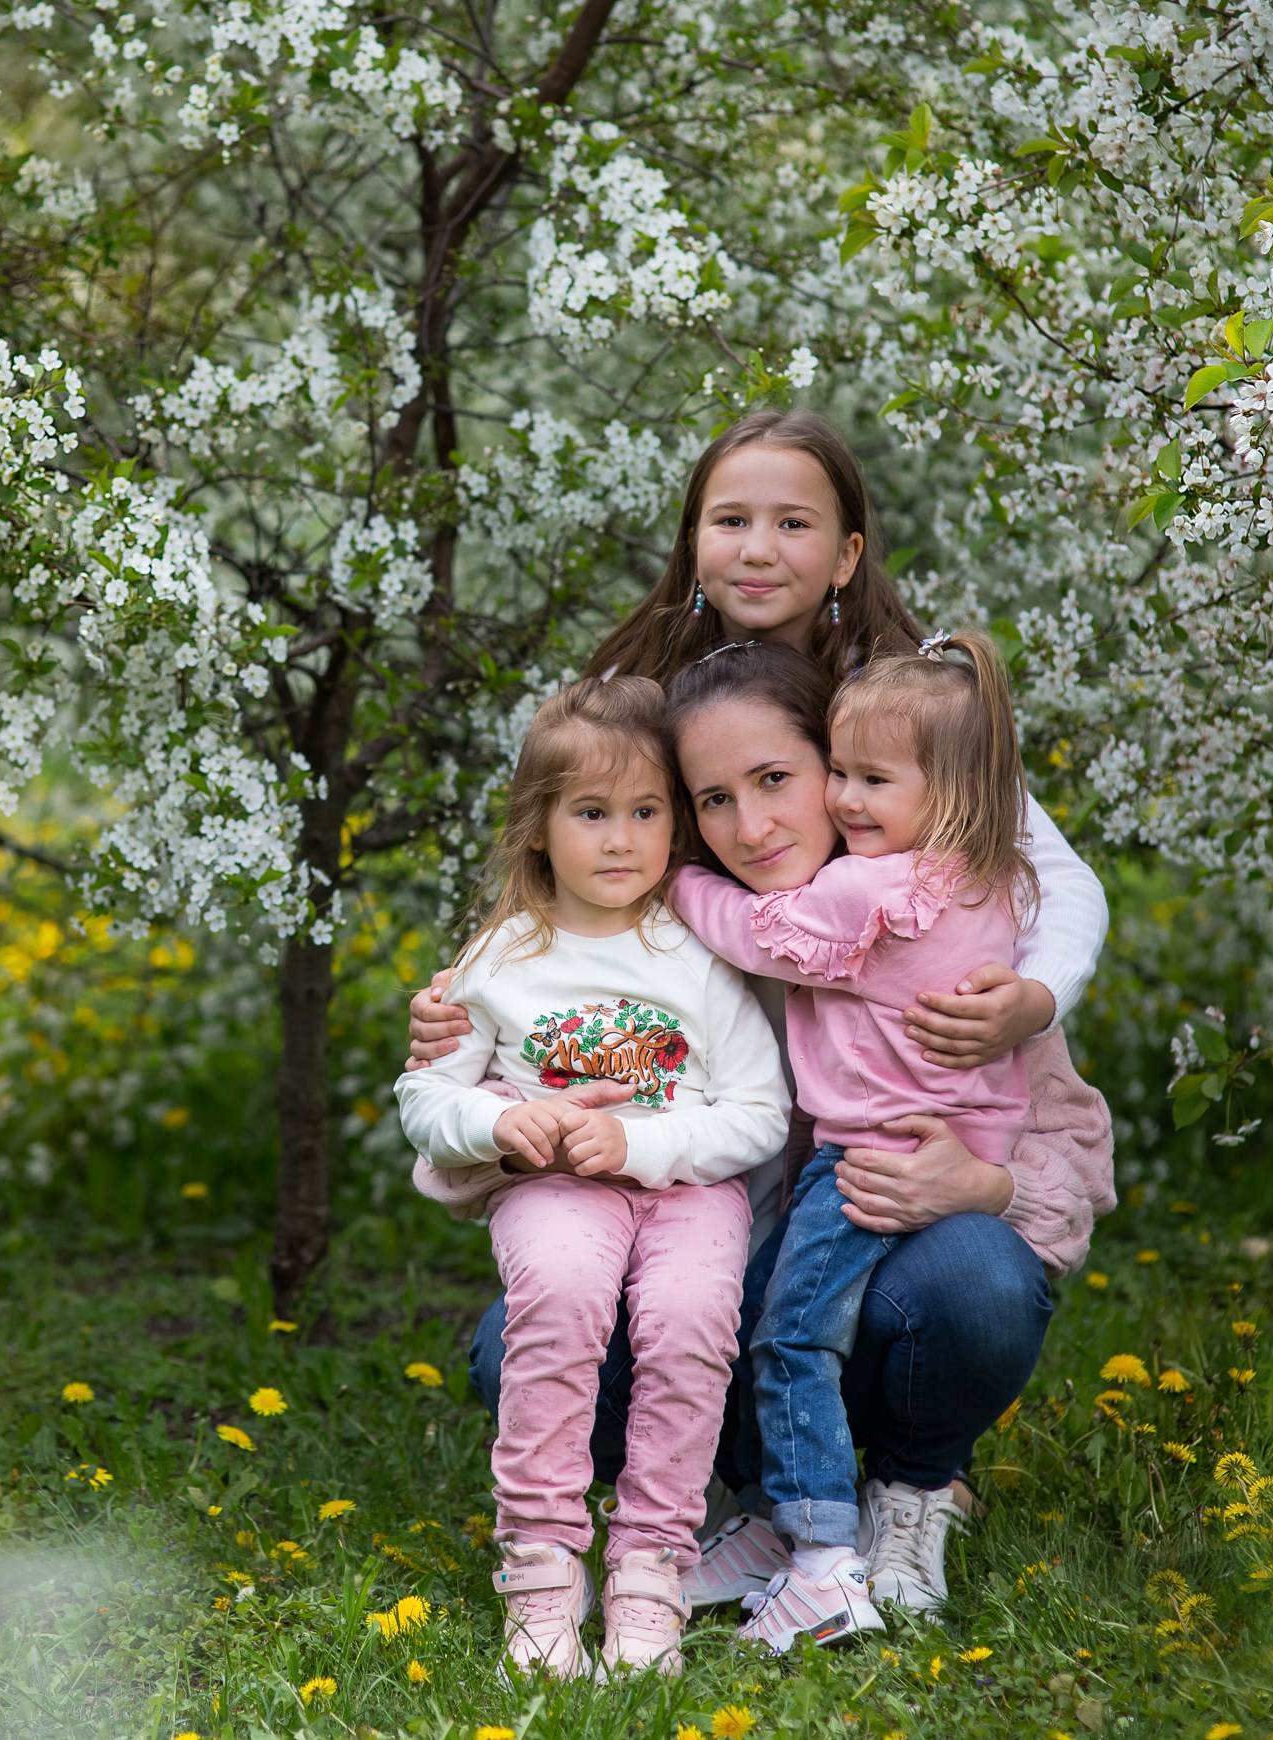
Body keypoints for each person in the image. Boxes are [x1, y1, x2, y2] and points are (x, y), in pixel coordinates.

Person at [408, 411, 1113, 1619]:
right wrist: (471, 1020)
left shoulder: (905, 742)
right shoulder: (659, 720)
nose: (757, 548)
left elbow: (1060, 881)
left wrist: (1029, 1009)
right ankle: (738, 1499)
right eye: (729, 519)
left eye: (794, 522)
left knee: (973, 1283)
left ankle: (910, 1485)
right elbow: (572, 876)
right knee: (524, 1342)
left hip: (883, 1157)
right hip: (709, 1177)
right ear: (689, 542)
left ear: (848, 553)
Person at [394, 676, 793, 1680]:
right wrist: (502, 1117)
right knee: (561, 1308)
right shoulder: (501, 958)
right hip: (554, 1188)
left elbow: (757, 1113)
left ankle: (651, 1576)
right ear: (539, 828)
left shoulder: (698, 956)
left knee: (694, 1323)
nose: (621, 840)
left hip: (687, 1193)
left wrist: (644, 1147)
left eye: (646, 813)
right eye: (592, 814)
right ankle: (540, 1578)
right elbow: (427, 1103)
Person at [666, 631, 1035, 1652]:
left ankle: (820, 1555)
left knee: (789, 1336)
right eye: (849, 775)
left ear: (949, 789)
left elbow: (757, 932)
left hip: (869, 1153)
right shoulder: (987, 878)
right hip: (950, 1132)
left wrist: (677, 882)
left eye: (873, 780)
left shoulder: (869, 890)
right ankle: (761, 1528)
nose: (850, 803)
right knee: (772, 1302)